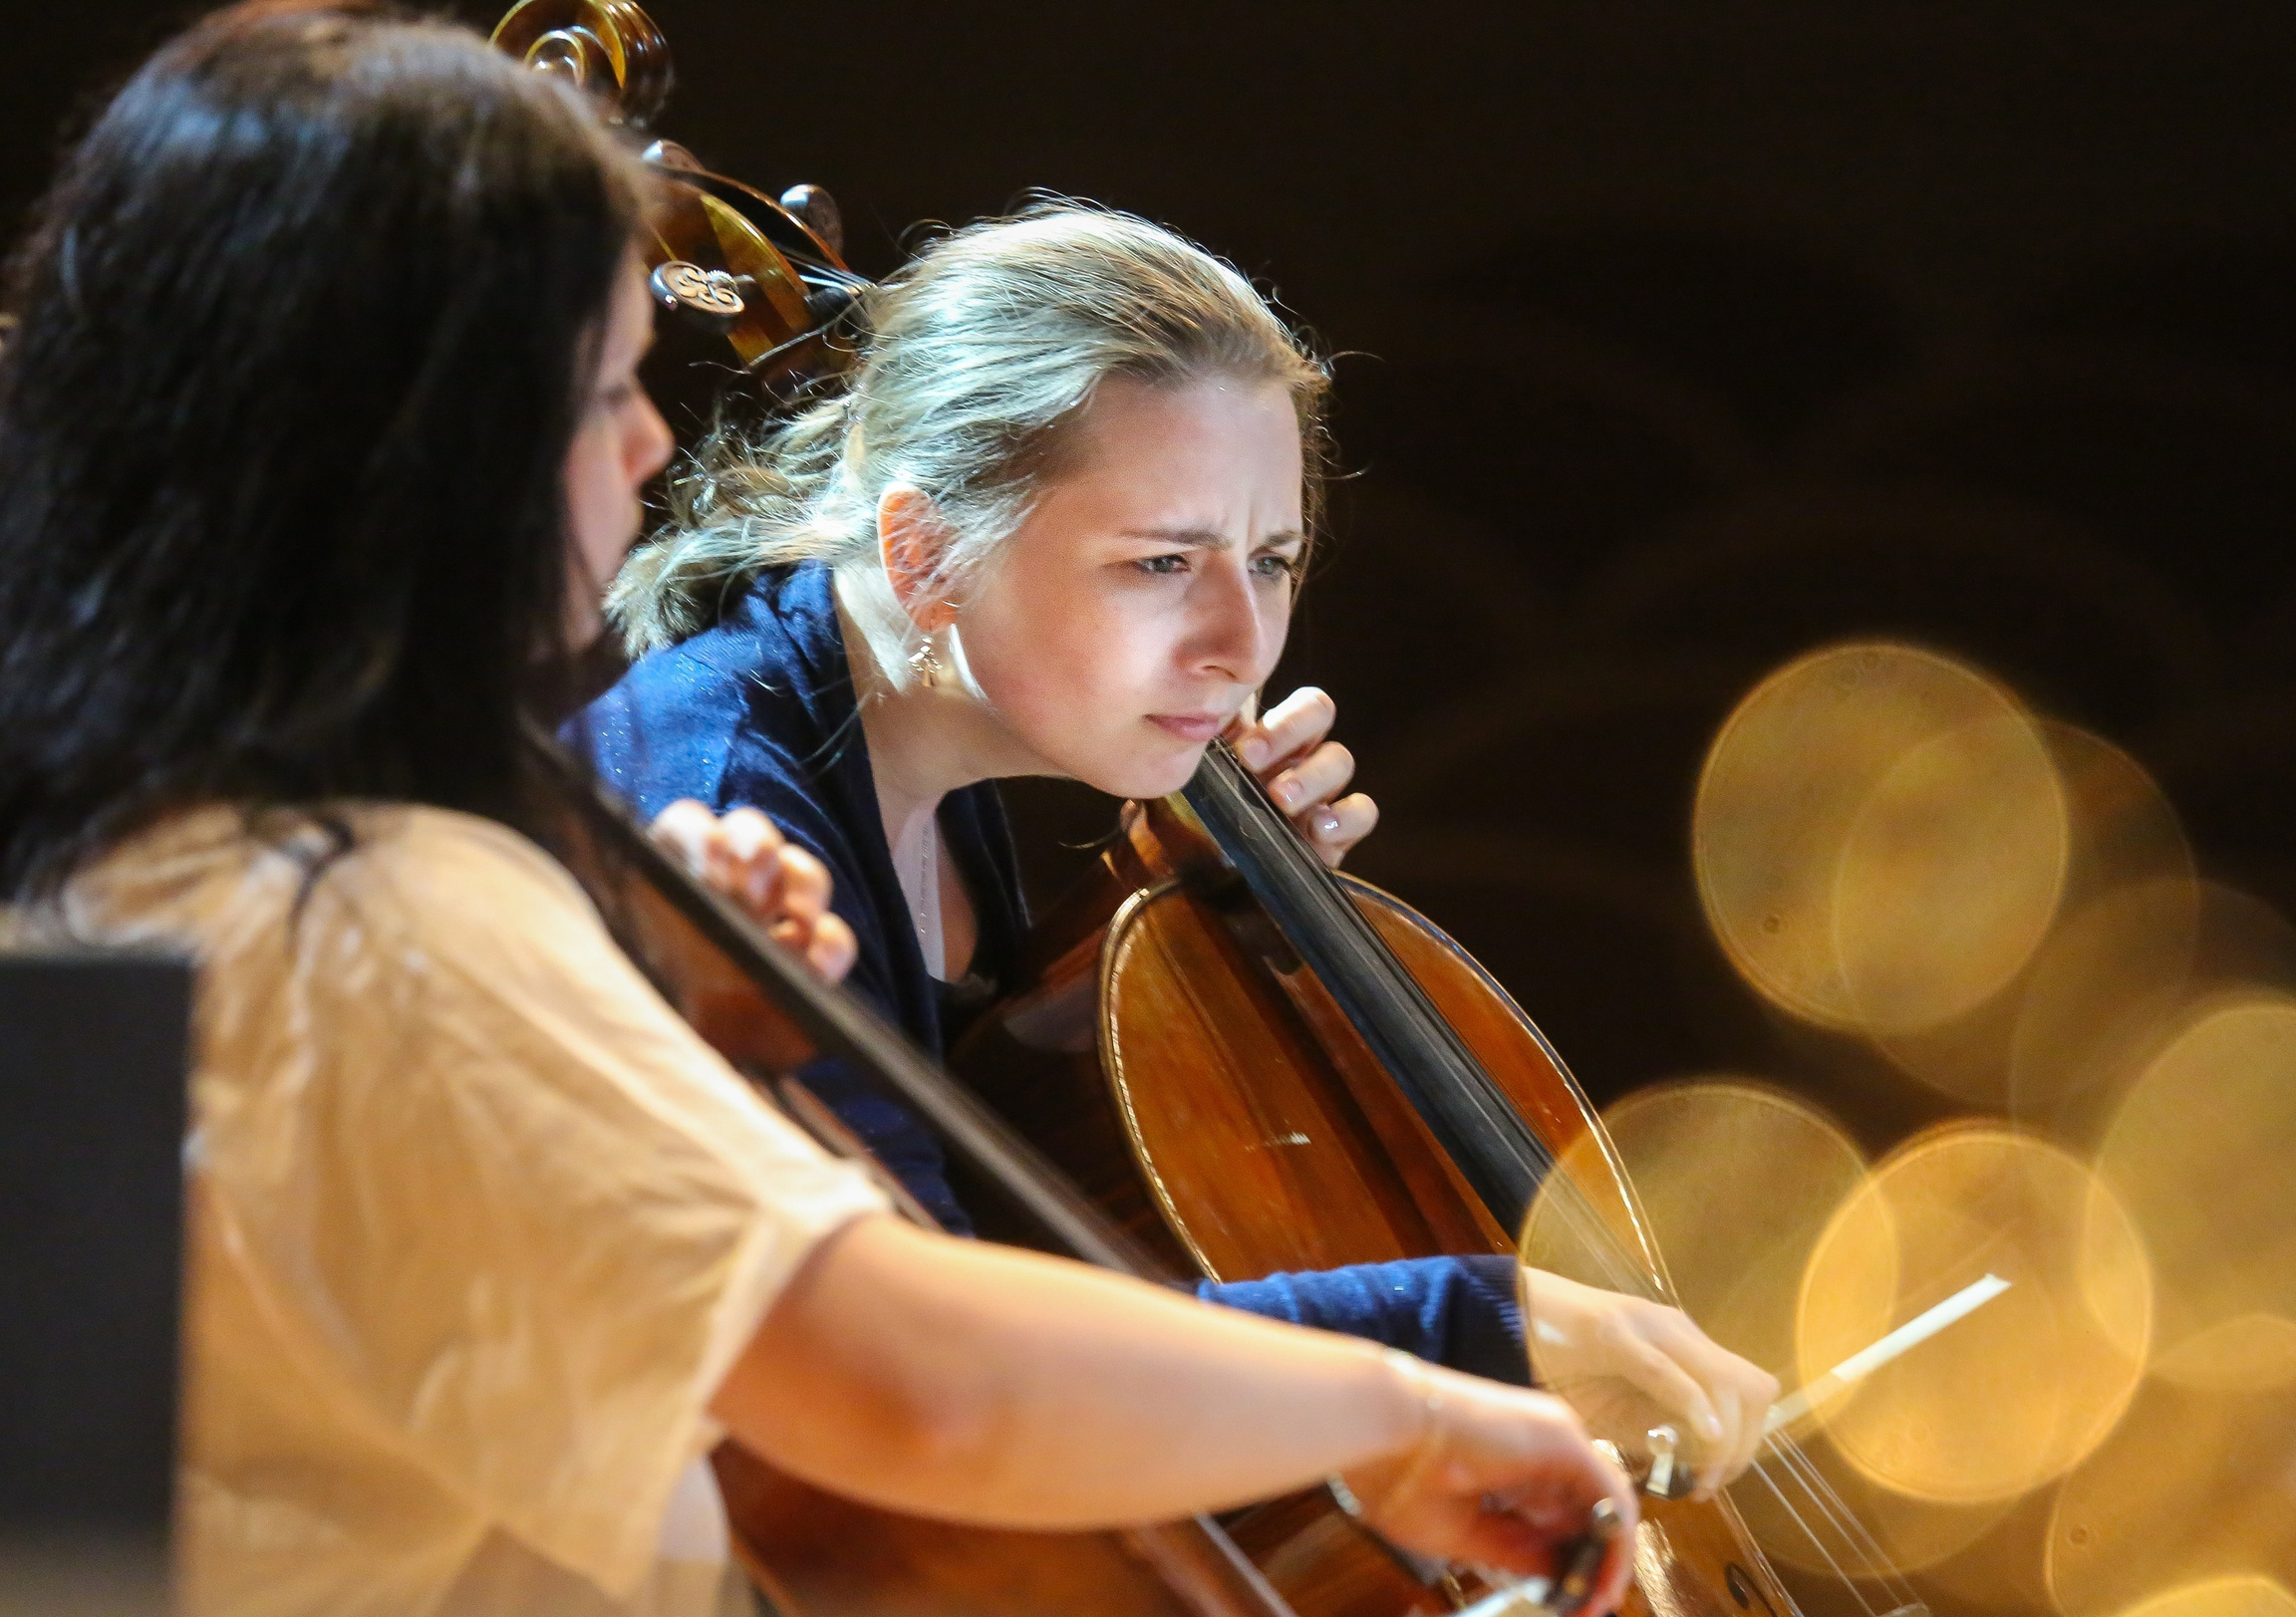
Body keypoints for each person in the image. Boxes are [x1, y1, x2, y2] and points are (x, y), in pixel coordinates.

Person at [0, 1, 1635, 1617]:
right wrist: (1427, 1384)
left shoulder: (173, 849)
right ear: (414, 459)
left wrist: (660, 1022)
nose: (651, 443)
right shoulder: (380, 913)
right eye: (601, 390)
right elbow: (913, 1384)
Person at [580, 203, 1781, 1482]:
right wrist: (1477, 1325)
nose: (1241, 644)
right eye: (1162, 563)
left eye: (1272, 559)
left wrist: (1157, 892)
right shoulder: (724, 817)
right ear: (922, 553)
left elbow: (989, 1150)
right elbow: (926, 1360)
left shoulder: (916, 737)